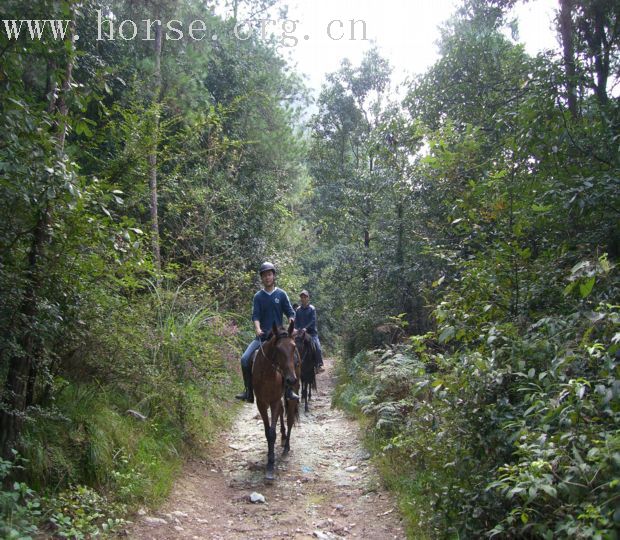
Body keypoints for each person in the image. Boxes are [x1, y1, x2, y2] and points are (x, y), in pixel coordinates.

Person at [234, 262, 299, 403]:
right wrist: (257, 329)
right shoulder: (258, 296)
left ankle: (288, 391)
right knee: (245, 359)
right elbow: (255, 316)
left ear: (274, 276)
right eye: (264, 275)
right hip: (263, 337)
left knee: (294, 359)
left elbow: (290, 312)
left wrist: (291, 324)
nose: (267, 277)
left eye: (269, 274)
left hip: (279, 337)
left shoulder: (281, 294)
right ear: (262, 278)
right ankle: (248, 391)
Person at [294, 290, 324, 373]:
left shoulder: (312, 308)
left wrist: (306, 328)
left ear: (308, 298)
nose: (303, 298)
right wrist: (296, 329)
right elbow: (296, 322)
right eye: (302, 297)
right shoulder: (298, 310)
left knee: (317, 347)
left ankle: (319, 365)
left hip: (311, 333)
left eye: (305, 297)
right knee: (292, 346)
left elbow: (312, 321)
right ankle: (294, 365)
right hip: (300, 333)